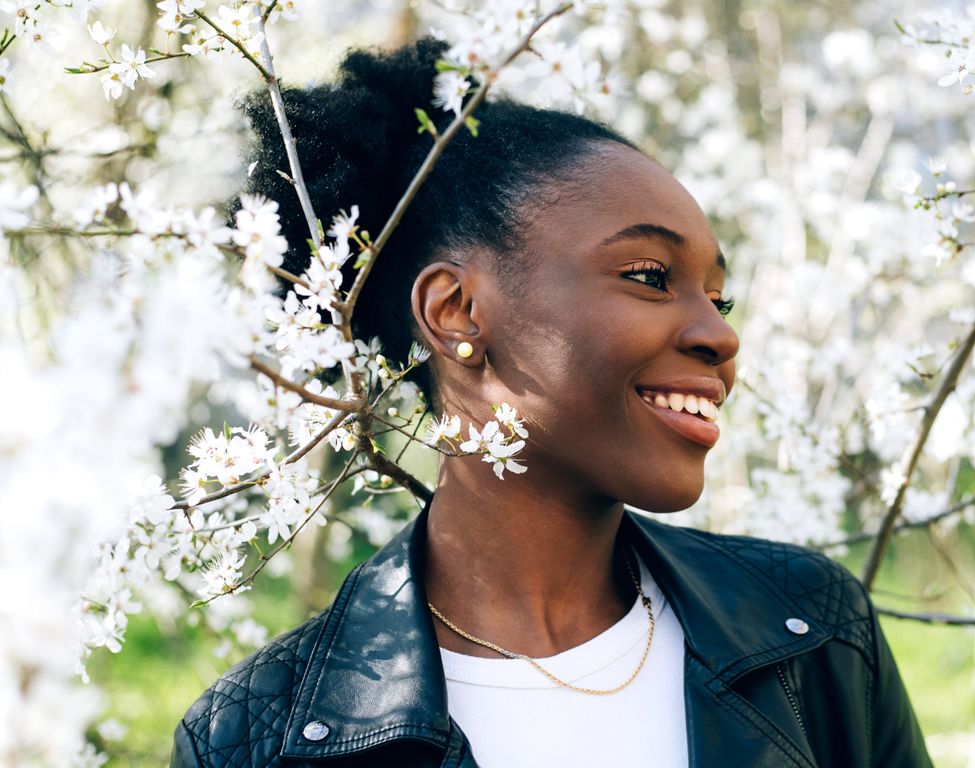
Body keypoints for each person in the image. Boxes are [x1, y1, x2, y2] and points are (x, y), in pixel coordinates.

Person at [170, 37, 933, 768]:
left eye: (719, 299)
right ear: (457, 312)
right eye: (648, 275)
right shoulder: (250, 740)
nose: (716, 336)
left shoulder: (812, 632)